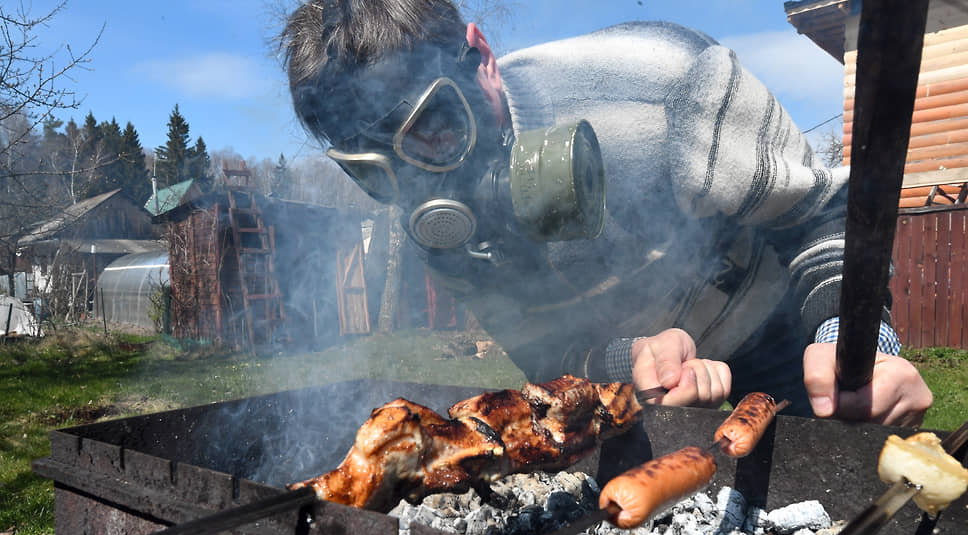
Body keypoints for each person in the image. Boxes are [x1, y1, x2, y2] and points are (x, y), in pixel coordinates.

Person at [280, 0, 933, 426]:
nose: (421, 180)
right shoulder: (433, 226)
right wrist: (630, 361)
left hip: (790, 338)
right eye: (372, 167)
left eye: (432, 129)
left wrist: (855, 345)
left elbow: (821, 215)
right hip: (658, 399)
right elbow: (547, 359)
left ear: (479, 59)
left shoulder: (667, 81)